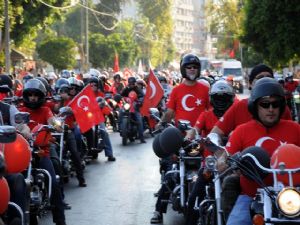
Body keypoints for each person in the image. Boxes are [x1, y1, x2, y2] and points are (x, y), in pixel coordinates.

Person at [217, 77, 300, 225]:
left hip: (292, 197)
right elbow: (225, 157)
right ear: (255, 106)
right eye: (265, 104)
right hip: (251, 195)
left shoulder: (295, 128)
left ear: (281, 106)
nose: (271, 109)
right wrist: (224, 161)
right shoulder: (241, 131)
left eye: (275, 104)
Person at [150, 53, 210, 224]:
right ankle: (158, 211)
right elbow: (169, 112)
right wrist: (161, 124)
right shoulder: (176, 90)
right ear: (184, 69)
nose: (192, 69)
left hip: (200, 140)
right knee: (171, 173)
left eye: (195, 67)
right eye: (189, 67)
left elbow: (210, 112)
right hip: (178, 139)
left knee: (208, 172)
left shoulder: (205, 90)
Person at [184, 80, 236, 225]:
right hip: (210, 165)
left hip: (231, 165)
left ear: (231, 98)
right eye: (217, 97)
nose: (221, 101)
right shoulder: (205, 115)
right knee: (193, 196)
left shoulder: (235, 115)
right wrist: (190, 137)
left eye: (224, 98)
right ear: (212, 98)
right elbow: (195, 129)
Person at [19, 79, 67, 225]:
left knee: (53, 181)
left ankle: (60, 220)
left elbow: (52, 120)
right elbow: (19, 124)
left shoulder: (45, 109)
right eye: (30, 94)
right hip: (23, 152)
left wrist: (57, 125)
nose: (33, 97)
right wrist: (22, 128)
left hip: (42, 151)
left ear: (41, 96)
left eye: (36, 95)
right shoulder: (22, 110)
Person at [208, 63, 292, 144]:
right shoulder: (239, 107)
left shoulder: (282, 108)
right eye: (260, 77)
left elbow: (291, 133)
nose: (271, 109)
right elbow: (215, 133)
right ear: (250, 83)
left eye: (269, 77)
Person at [120, 76, 146, 143]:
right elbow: (121, 95)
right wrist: (120, 98)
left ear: (134, 83)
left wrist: (139, 101)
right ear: (128, 83)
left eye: (132, 83)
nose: (131, 85)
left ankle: (141, 138)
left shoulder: (137, 89)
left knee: (139, 120)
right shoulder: (126, 89)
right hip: (127, 106)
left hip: (135, 107)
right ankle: (119, 126)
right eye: (130, 83)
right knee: (120, 111)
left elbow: (142, 96)